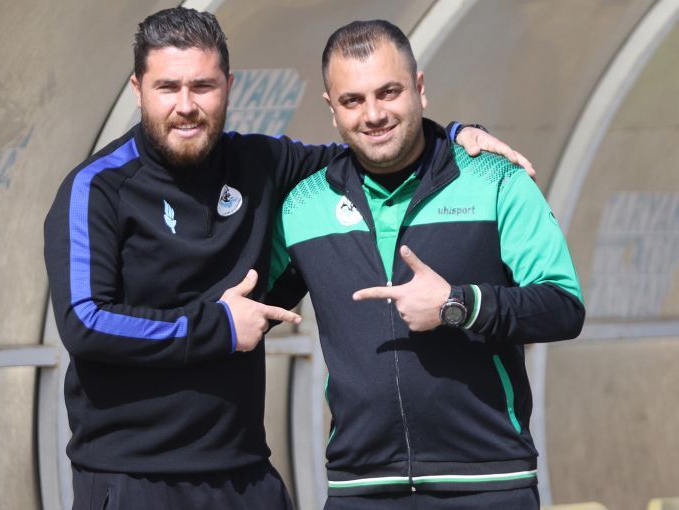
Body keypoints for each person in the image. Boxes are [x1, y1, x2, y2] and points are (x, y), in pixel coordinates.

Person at [43, 7, 534, 510]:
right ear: (138, 89)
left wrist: (455, 136)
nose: (186, 106)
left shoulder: (262, 163)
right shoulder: (97, 188)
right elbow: (85, 322)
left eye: (203, 86)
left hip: (245, 475)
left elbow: (374, 148)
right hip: (132, 477)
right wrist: (218, 326)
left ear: (228, 86)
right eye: (167, 87)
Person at [269, 19, 585, 510]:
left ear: (419, 88)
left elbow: (563, 306)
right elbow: (248, 307)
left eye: (388, 92)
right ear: (332, 109)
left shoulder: (496, 180)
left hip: (489, 484)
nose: (373, 114)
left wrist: (459, 305)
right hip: (360, 489)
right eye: (353, 100)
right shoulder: (302, 206)